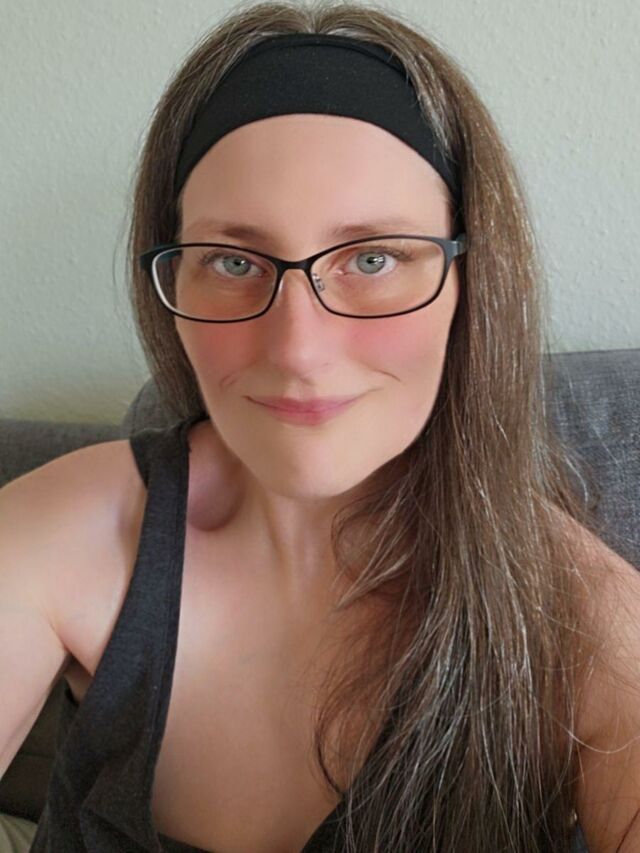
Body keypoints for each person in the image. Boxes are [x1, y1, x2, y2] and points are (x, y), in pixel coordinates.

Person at [1, 1, 639, 851]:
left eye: (374, 258)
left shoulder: (576, 619)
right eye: (233, 260)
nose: (299, 350)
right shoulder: (66, 532)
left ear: (470, 281)